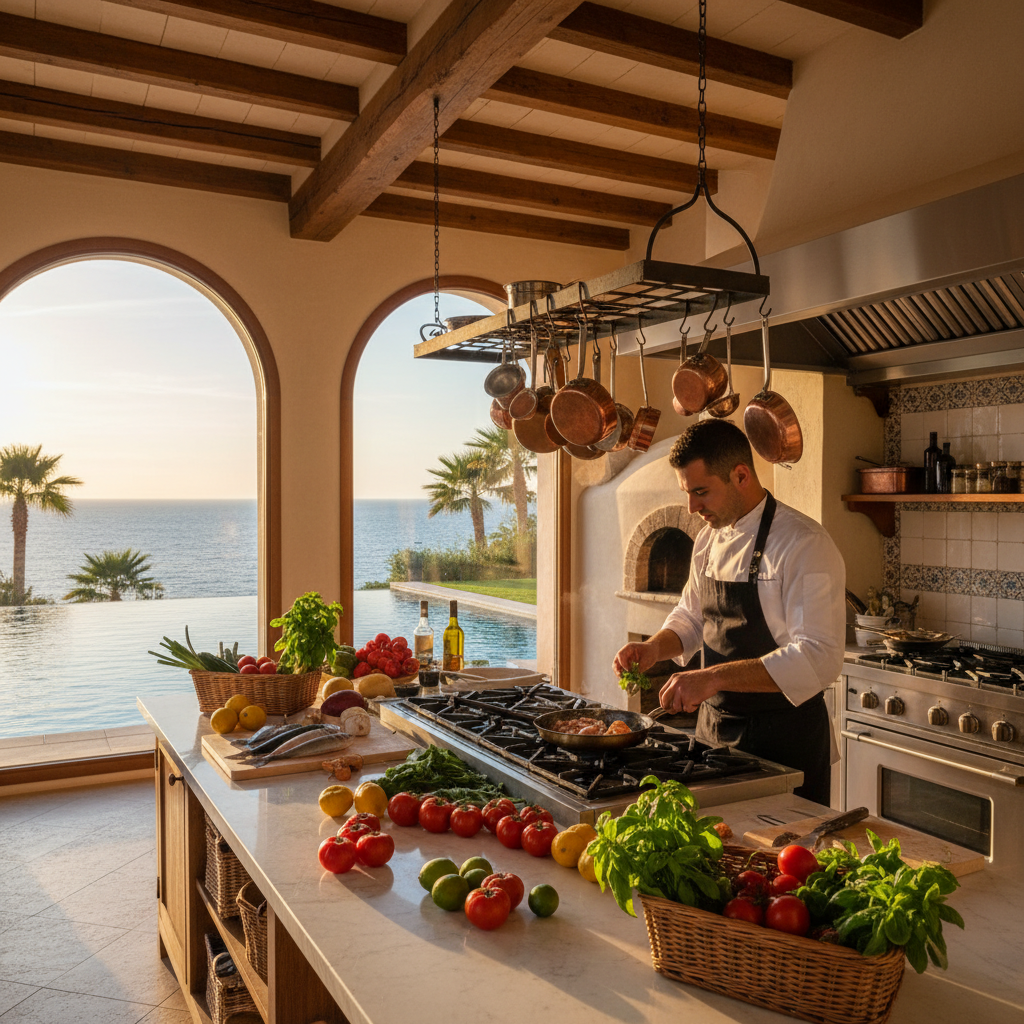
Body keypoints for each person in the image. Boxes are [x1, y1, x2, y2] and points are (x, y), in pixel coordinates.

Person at [613, 420, 845, 805]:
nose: (692, 507)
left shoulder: (804, 544)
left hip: (785, 741)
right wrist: (654, 649)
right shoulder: (708, 538)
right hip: (715, 734)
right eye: (687, 493)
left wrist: (712, 677)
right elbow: (690, 616)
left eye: (701, 492)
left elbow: (818, 657)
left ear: (741, 475)